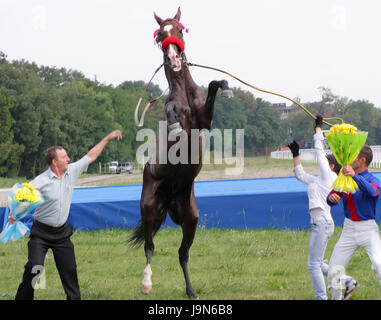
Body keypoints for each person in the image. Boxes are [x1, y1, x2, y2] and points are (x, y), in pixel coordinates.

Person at [9, 130, 122, 300]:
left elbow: (90, 156)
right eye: (64, 157)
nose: (68, 159)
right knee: (34, 266)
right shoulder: (41, 181)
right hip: (41, 233)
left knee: (70, 271)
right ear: (54, 162)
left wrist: (107, 138)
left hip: (62, 233)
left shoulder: (72, 171)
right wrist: (14, 213)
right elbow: (21, 196)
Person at [288, 116, 357, 300]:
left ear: (332, 166)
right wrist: (296, 154)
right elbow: (300, 175)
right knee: (317, 263)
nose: (323, 163)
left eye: (327, 162)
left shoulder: (330, 176)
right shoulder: (319, 180)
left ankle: (322, 297)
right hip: (322, 224)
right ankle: (348, 281)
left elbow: (319, 152)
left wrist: (318, 129)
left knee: (313, 265)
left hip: (322, 224)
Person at [327, 145, 381, 300]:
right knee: (333, 272)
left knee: (379, 265)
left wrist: (354, 176)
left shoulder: (373, 180)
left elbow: (372, 191)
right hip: (348, 230)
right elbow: (331, 197)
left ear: (362, 160)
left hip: (368, 230)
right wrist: (331, 199)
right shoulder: (344, 178)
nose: (350, 160)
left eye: (354, 157)